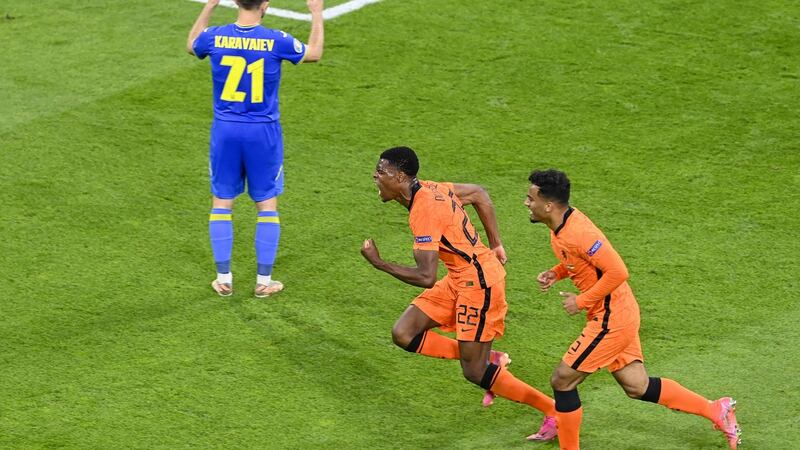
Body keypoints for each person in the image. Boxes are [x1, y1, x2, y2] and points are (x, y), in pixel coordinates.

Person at [524, 169, 741, 449]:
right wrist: (557, 272)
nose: (526, 203)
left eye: (530, 199)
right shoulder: (561, 225)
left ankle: (566, 436)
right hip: (618, 312)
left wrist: (581, 301)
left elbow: (618, 272)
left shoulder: (579, 232)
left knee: (563, 380)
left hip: (611, 319)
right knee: (636, 386)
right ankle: (716, 409)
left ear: (549, 205)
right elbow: (581, 262)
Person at [360, 146, 557, 441]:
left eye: (381, 172)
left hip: (479, 285)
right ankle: (489, 356)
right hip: (460, 277)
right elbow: (479, 193)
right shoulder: (428, 188)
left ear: (400, 176)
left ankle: (553, 410)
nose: (375, 177)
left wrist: (379, 263)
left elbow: (426, 276)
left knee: (474, 372)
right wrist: (495, 243)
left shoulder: (423, 211)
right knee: (404, 333)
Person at [186, 0, 324, 297]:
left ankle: (223, 278)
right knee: (267, 206)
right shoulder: (276, 39)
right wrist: (316, 14)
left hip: (225, 131)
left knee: (221, 203)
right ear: (265, 4)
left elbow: (191, 44)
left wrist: (209, 7)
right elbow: (314, 53)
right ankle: (263, 282)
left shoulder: (214, 36)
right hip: (263, 132)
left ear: (234, 2)